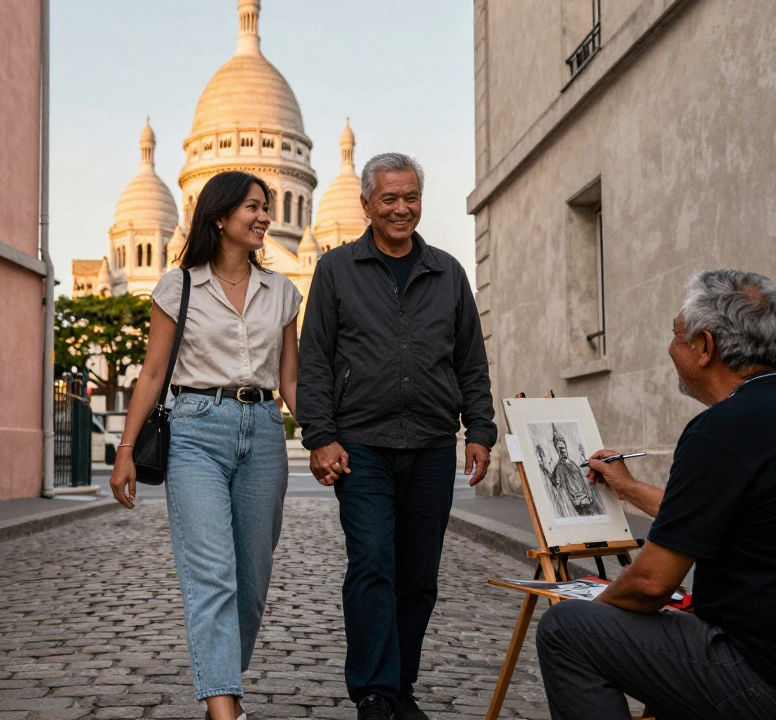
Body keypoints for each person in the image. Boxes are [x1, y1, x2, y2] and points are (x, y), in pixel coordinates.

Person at [535, 269, 776, 720]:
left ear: (704, 347)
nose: (671, 348)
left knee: (566, 629)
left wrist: (601, 610)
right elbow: (707, 518)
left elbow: (651, 585)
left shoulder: (722, 428)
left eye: (676, 335)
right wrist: (629, 489)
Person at [296, 153, 497, 720]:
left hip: (433, 444)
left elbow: (470, 362)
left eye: (410, 198)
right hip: (361, 445)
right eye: (389, 199)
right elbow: (315, 359)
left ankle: (400, 684)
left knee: (418, 577)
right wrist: (320, 436)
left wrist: (479, 429)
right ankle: (375, 692)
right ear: (366, 205)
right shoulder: (335, 269)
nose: (401, 209)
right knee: (372, 565)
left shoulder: (449, 272)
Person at [109, 171, 301, 720]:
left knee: (252, 581)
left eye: (267, 206)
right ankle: (225, 709)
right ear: (219, 216)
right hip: (196, 429)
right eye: (253, 207)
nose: (265, 216)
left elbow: (290, 383)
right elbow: (151, 374)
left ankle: (220, 679)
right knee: (212, 573)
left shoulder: (284, 292)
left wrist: (328, 434)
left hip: (264, 431)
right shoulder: (178, 285)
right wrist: (125, 448)